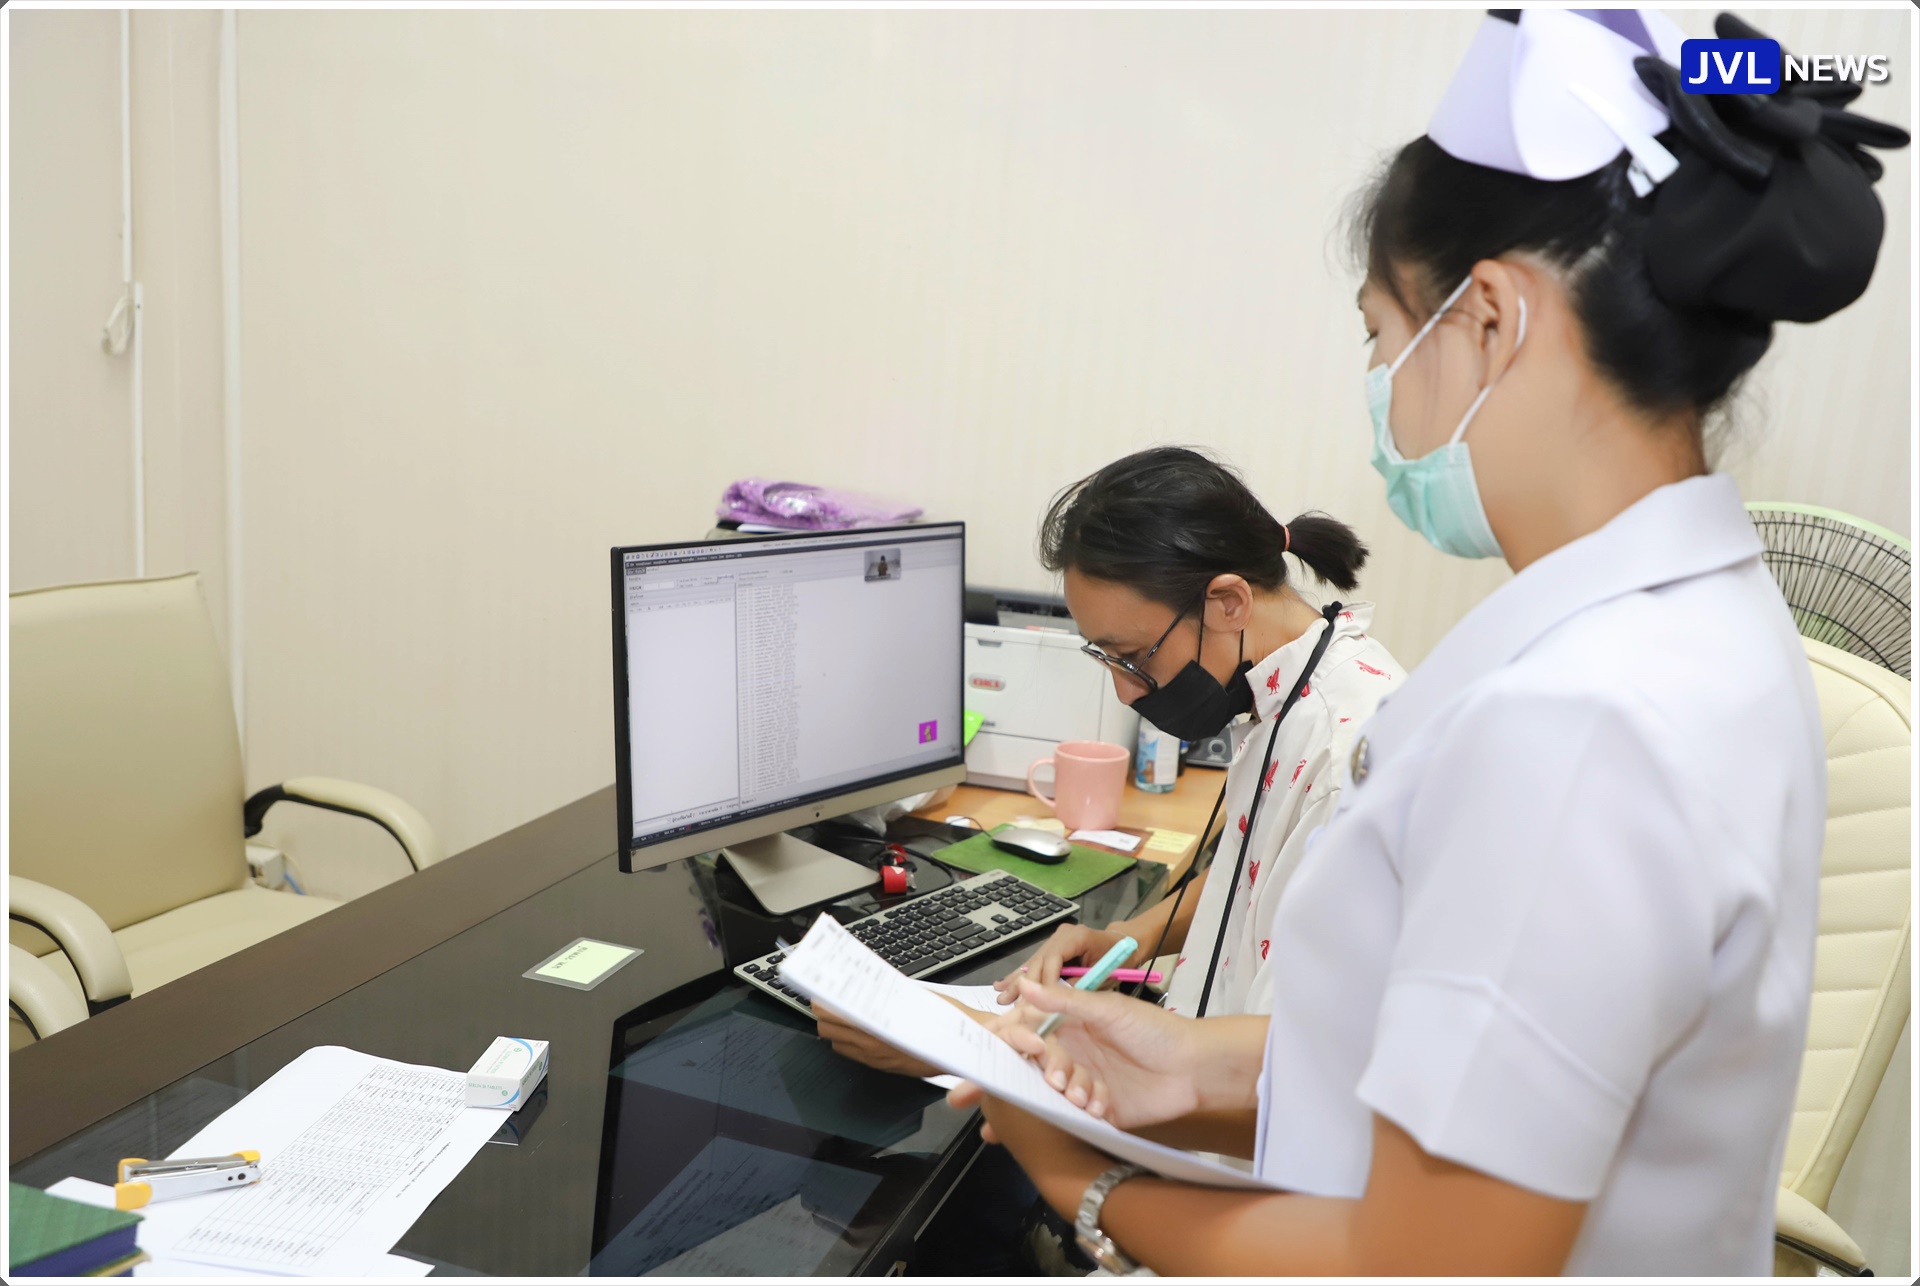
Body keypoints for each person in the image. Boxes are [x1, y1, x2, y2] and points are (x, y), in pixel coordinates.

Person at [947, 8, 1907, 1276]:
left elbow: (1430, 1256)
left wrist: (1083, 1179)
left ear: (1489, 318)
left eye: (1381, 332)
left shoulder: (1581, 718)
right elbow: (1504, 1073)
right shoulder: (1701, 627)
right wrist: (1192, 1061)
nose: (1382, 380)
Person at [815, 446, 1403, 1076]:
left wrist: (970, 1038)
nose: (1126, 692)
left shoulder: (1344, 764)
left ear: (1229, 602)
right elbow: (1259, 879)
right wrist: (1128, 938)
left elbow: (1290, 1080)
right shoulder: (1289, 690)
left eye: (1133, 656)